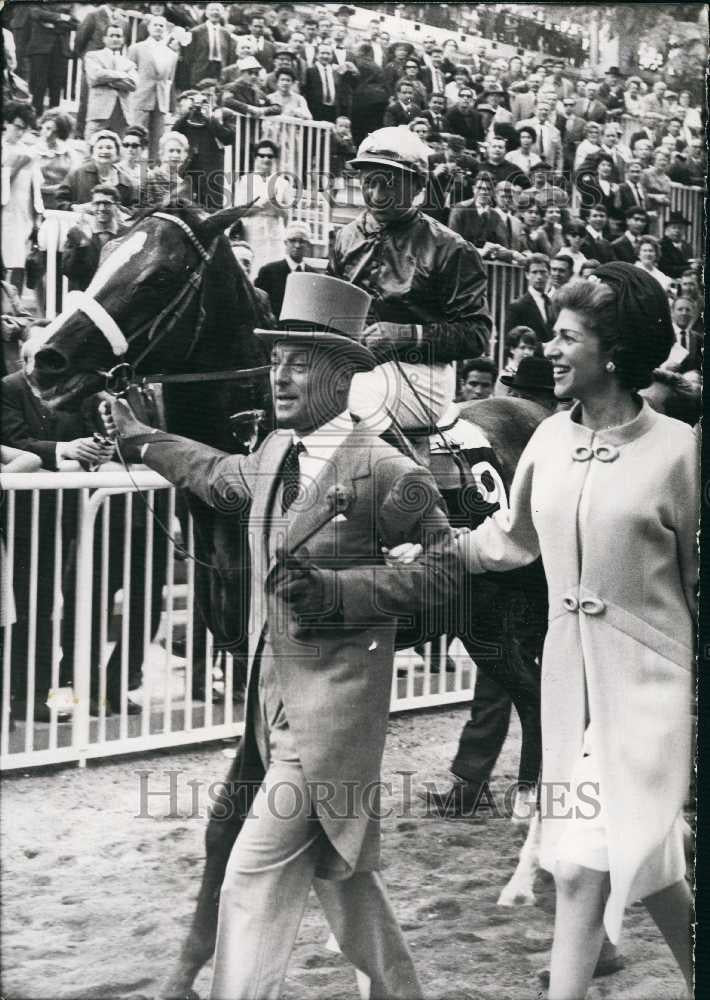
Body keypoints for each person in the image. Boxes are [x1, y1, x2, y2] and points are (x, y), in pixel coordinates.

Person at [103, 273, 458, 1000]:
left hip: (330, 729)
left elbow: (449, 575)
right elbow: (214, 474)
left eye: (298, 361)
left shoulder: (389, 469)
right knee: (344, 883)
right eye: (275, 361)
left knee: (251, 878)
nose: (281, 375)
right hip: (273, 719)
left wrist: (341, 591)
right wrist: (141, 441)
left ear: (340, 375)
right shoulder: (274, 454)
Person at [452, 265, 695, 1000]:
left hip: (652, 684)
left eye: (566, 338)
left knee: (583, 860)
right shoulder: (550, 440)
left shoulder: (680, 450)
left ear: (612, 350)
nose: (547, 352)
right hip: (567, 685)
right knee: (647, 863)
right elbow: (508, 540)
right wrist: (435, 549)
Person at [331, 127, 491, 432]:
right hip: (354, 367)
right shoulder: (345, 237)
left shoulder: (451, 248)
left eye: (389, 185)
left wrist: (407, 335)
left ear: (417, 184)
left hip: (422, 373)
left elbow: (477, 335)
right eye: (369, 183)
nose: (377, 196)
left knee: (348, 399)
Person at [233, 139, 295, 273]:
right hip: (252, 230)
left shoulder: (282, 183)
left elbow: (287, 215)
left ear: (275, 160)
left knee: (274, 269)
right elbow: (239, 211)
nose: (266, 159)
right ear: (255, 158)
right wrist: (261, 205)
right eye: (262, 155)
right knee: (253, 268)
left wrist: (275, 206)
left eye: (270, 156)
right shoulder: (245, 181)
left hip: (274, 232)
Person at [127, 15, 178, 162]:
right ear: (149, 28)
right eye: (155, 25)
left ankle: (153, 171)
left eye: (162, 26)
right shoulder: (136, 48)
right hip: (141, 97)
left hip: (161, 100)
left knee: (158, 139)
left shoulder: (171, 54)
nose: (158, 28)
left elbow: (170, 81)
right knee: (137, 136)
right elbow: (129, 73)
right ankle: (134, 167)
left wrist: (170, 106)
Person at [171, 92, 234, 210]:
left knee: (212, 207)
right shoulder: (186, 118)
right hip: (189, 170)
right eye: (196, 103)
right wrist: (189, 113)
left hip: (212, 172)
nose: (199, 106)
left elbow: (228, 138)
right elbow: (173, 133)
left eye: (204, 101)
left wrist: (211, 118)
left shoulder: (223, 114)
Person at [55, 129, 136, 214]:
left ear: (117, 152)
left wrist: (118, 210)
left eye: (109, 147)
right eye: (100, 147)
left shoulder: (125, 180)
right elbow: (58, 200)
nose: (104, 151)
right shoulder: (77, 174)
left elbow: (132, 211)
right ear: (92, 152)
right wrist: (75, 208)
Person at [84, 22, 138, 139]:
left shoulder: (129, 63)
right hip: (99, 112)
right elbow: (96, 76)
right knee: (92, 146)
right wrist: (122, 75)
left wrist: (107, 79)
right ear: (104, 39)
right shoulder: (93, 56)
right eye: (111, 35)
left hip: (122, 114)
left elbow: (133, 84)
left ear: (123, 40)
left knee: (120, 152)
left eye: (118, 36)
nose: (115, 39)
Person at [24, 2, 78, 117]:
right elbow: (35, 14)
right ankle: (35, 119)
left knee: (56, 86)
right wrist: (61, 17)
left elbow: (75, 23)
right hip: (40, 49)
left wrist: (51, 23)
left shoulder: (69, 4)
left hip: (61, 49)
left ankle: (54, 120)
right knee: (39, 86)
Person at [254, 221, 316, 319]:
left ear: (308, 245)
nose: (297, 245)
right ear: (286, 243)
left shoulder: (314, 275)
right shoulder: (268, 272)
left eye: (302, 241)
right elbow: (259, 306)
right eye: (293, 240)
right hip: (276, 330)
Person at [182, 3, 237, 88]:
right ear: (206, 13)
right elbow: (188, 56)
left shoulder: (226, 33)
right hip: (201, 70)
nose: (215, 12)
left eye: (218, 10)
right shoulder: (196, 32)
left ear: (222, 13)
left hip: (220, 70)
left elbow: (229, 55)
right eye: (212, 10)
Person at [506, 255, 553, 342]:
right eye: (534, 272)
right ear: (527, 275)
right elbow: (511, 341)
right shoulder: (517, 306)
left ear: (549, 274)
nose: (539, 277)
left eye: (543, 272)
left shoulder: (551, 303)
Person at [349, 43, 388, 146]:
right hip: (379, 100)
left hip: (361, 99)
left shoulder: (356, 62)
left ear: (360, 51)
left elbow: (352, 82)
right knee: (373, 130)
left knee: (358, 131)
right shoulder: (377, 66)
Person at [495, 325, 540, 396]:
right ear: (512, 349)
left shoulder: (534, 375)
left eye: (531, 348)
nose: (527, 352)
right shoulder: (506, 375)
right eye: (522, 348)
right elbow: (499, 402)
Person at [658, 212, 694, 280]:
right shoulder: (661, 245)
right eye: (674, 228)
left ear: (684, 230)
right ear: (667, 230)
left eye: (680, 228)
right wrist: (690, 267)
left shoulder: (687, 246)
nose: (677, 231)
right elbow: (665, 268)